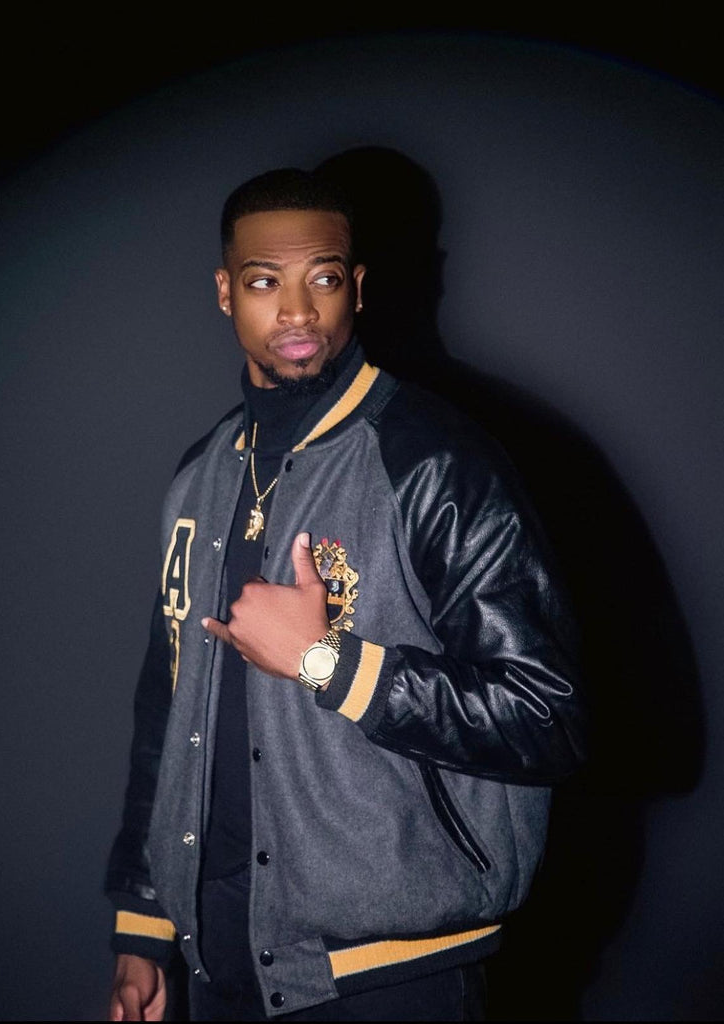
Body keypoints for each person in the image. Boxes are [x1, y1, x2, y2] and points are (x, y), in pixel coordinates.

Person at [106, 167, 586, 1021]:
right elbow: (165, 710)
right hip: (220, 964)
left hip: (391, 975)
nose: (297, 311)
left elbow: (546, 716)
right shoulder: (200, 474)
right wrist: (144, 925)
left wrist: (328, 661)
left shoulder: (433, 459)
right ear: (225, 292)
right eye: (265, 282)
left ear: (356, 288)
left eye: (321, 279)